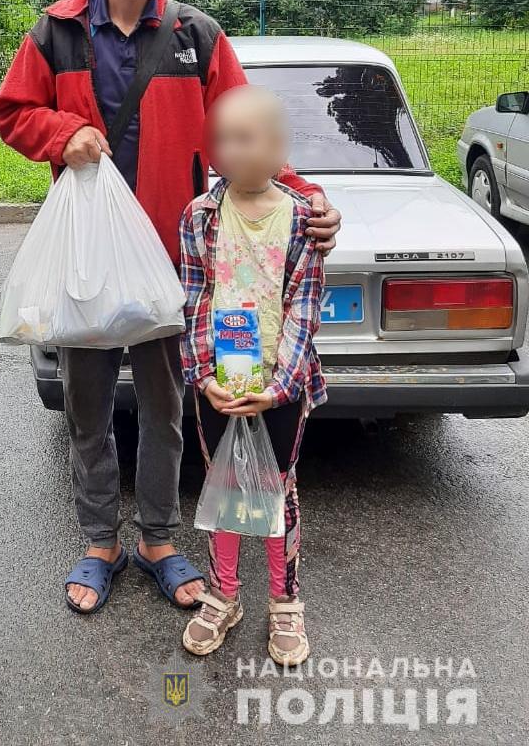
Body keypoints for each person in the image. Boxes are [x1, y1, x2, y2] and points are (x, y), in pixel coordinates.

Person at [0, 0, 341, 615]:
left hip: (174, 271)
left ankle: (156, 538)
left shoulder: (196, 36)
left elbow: (243, 135)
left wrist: (305, 196)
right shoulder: (56, 33)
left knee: (165, 409)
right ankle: (98, 541)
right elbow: (11, 112)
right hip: (87, 268)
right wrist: (62, 132)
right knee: (87, 411)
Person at [178, 85, 326, 666]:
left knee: (277, 487)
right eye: (223, 139)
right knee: (225, 485)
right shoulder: (199, 216)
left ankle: (285, 600)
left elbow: (305, 308)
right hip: (219, 383)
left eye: (247, 138)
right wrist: (202, 375)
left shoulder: (303, 220)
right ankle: (224, 593)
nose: (231, 151)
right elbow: (193, 298)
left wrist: (279, 387)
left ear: (279, 147)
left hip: (280, 386)